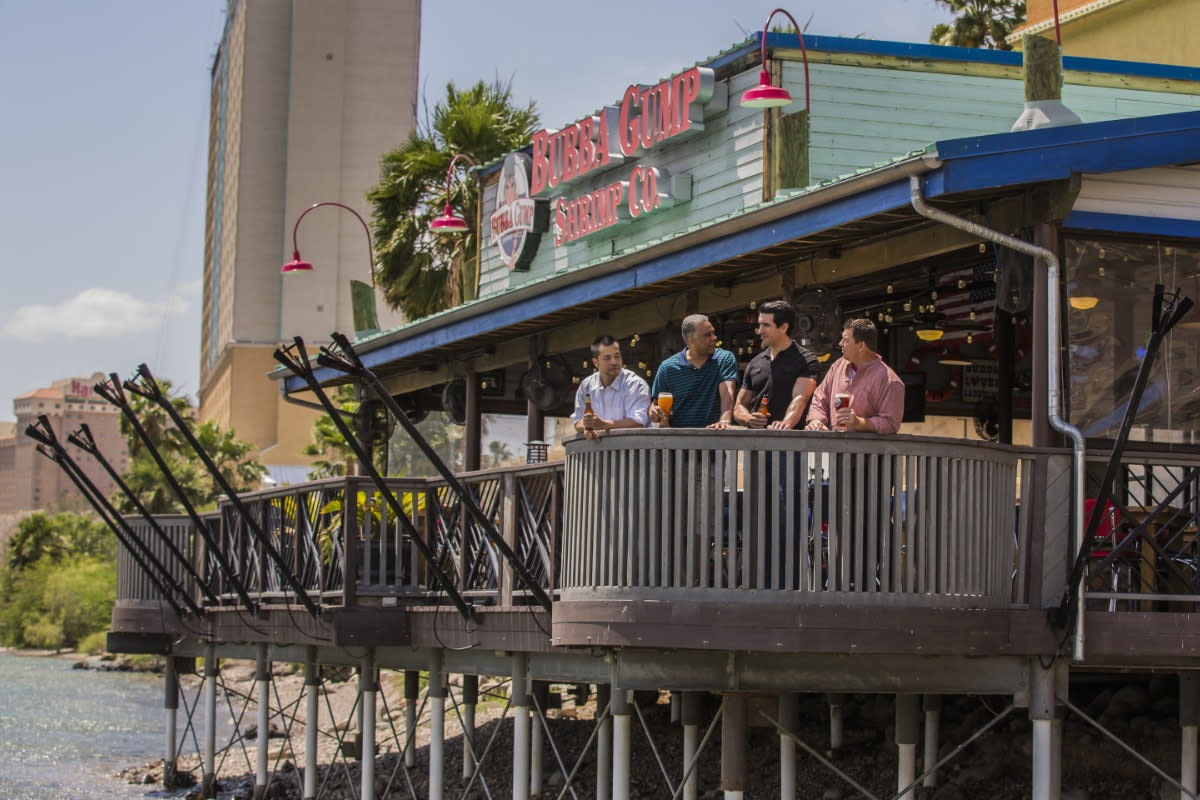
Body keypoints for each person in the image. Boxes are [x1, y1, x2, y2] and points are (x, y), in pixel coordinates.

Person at [806, 318, 905, 433]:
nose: (840, 343)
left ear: (861, 346)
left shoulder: (890, 381)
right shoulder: (837, 366)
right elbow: (820, 397)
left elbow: (891, 423)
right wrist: (816, 420)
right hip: (833, 448)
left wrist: (859, 423)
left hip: (867, 450)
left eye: (846, 340)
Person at [734, 300, 821, 430]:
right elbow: (740, 404)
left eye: (766, 325)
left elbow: (800, 399)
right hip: (755, 443)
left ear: (784, 327)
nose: (760, 331)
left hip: (789, 442)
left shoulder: (807, 360)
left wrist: (785, 424)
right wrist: (748, 418)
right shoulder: (755, 362)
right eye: (760, 325)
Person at [648, 314, 738, 428]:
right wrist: (653, 412)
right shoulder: (667, 368)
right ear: (691, 341)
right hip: (678, 440)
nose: (714, 337)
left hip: (713, 437)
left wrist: (724, 421)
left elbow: (727, 392)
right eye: (707, 335)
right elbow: (656, 403)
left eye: (713, 333)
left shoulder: (724, 359)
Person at [572, 335, 650, 440]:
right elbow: (578, 421)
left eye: (617, 356)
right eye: (607, 358)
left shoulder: (635, 384)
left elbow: (639, 422)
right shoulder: (586, 386)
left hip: (631, 452)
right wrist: (587, 427)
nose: (614, 362)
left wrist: (604, 424)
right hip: (597, 453)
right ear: (596, 362)